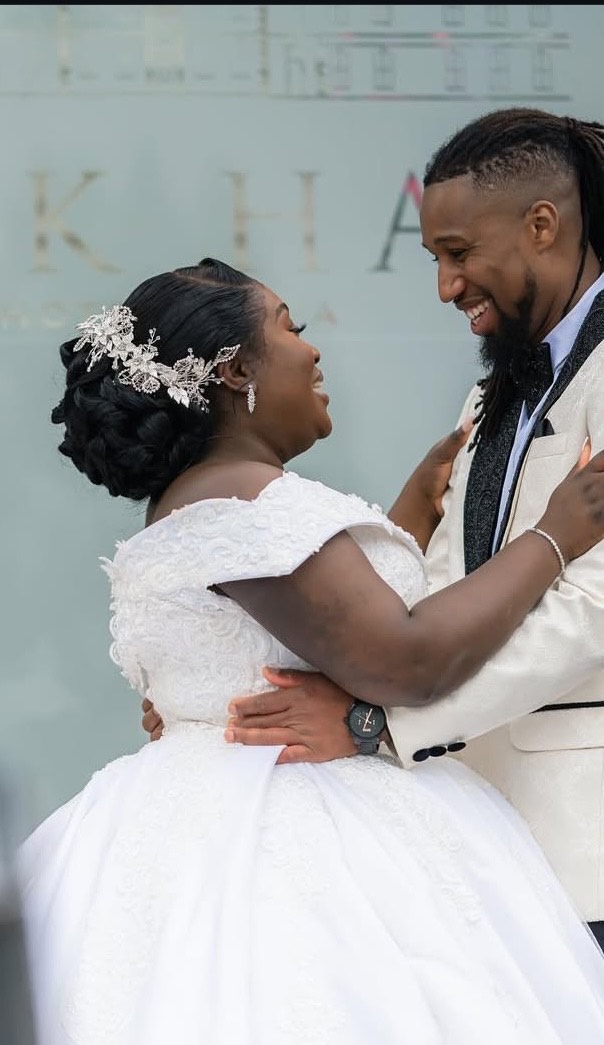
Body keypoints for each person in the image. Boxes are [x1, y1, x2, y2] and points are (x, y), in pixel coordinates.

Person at [18, 255, 604, 1045]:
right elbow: (403, 660)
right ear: (233, 372)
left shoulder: (200, 507)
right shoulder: (249, 507)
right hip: (303, 831)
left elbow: (313, 627)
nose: (315, 346)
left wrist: (409, 514)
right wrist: (554, 535)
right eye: (290, 325)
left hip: (197, 818)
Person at [192, 107, 604, 947]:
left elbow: (592, 607)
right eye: (435, 260)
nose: (447, 287)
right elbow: (447, 593)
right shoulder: (494, 395)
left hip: (584, 848)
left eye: (459, 255)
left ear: (542, 224)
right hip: (481, 843)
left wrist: (373, 724)